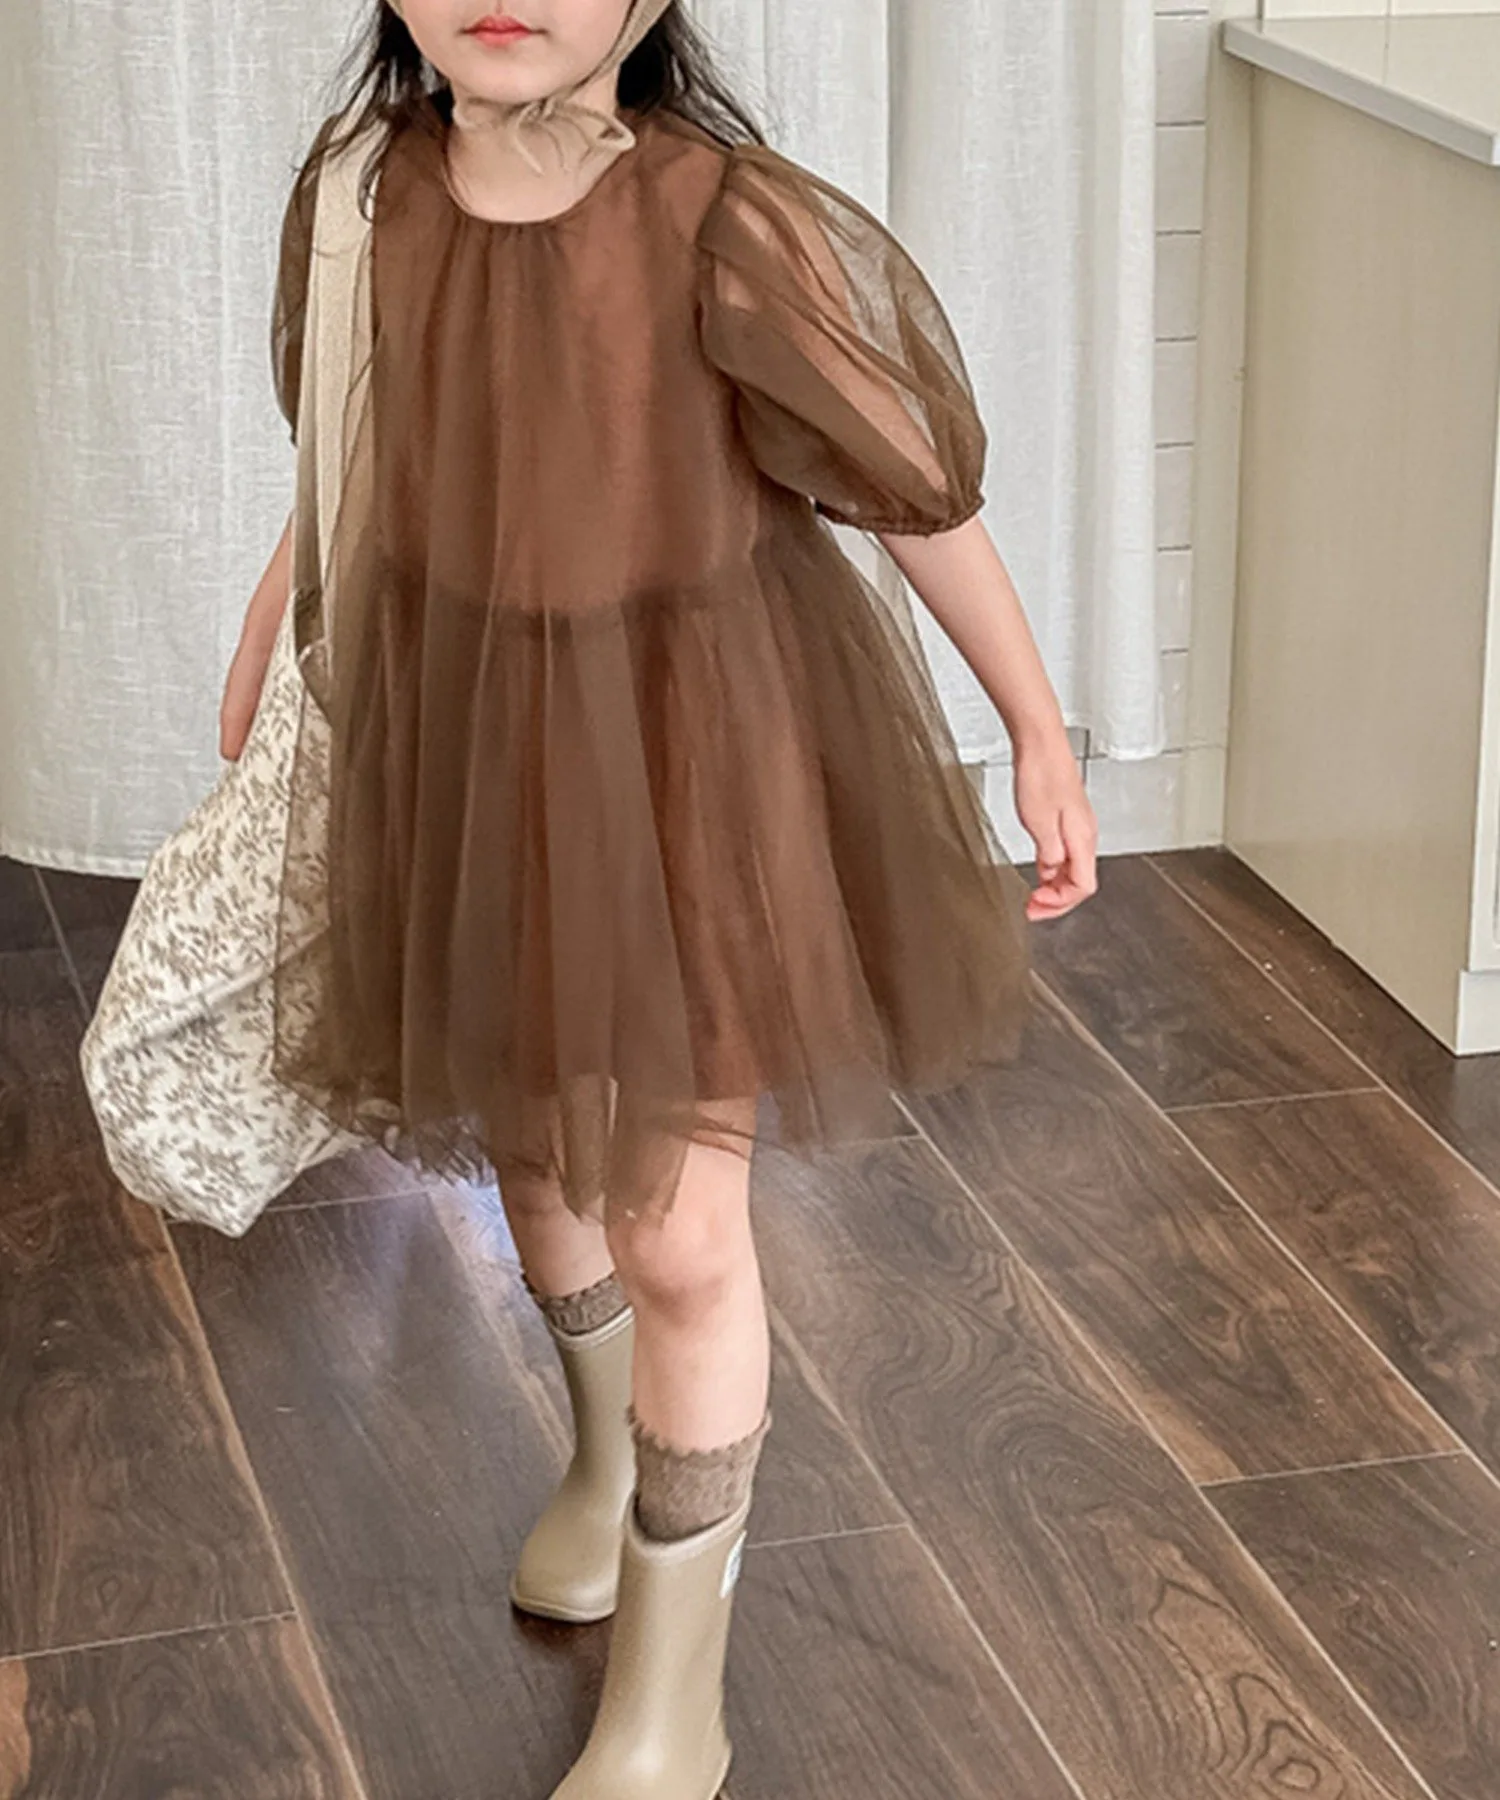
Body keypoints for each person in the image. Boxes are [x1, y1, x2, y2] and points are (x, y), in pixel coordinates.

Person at [118, 2, 1099, 1794]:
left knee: (680, 1231)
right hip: (467, 735)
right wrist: (281, 609)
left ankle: (671, 1689)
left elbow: (908, 489)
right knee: (534, 1142)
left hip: (683, 759)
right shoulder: (365, 193)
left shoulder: (720, 216)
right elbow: (361, 435)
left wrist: (1035, 723)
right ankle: (600, 1457)